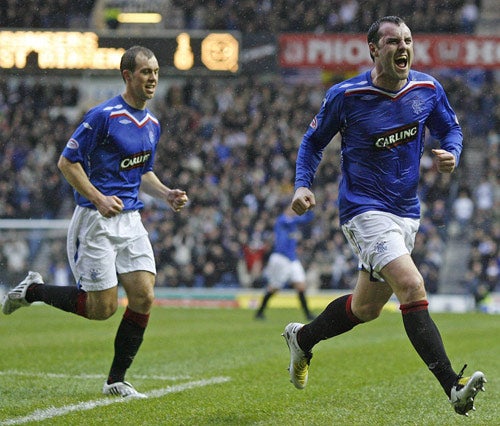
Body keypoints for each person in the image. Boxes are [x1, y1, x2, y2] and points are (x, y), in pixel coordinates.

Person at [282, 16, 487, 416]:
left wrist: (453, 153)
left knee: (365, 309)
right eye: (393, 41)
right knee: (412, 286)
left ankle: (303, 339)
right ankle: (454, 387)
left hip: (407, 213)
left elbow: (452, 130)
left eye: (408, 40)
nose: (403, 47)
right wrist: (302, 185)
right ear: (374, 49)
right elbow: (311, 143)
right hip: (363, 210)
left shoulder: (427, 89)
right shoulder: (347, 95)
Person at [1, 46, 188, 398]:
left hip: (130, 219)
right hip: (95, 220)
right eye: (145, 72)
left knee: (144, 296)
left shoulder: (152, 124)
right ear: (127, 76)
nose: (152, 79)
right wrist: (98, 198)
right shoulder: (103, 116)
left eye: (156, 72)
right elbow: (67, 163)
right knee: (101, 309)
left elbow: (142, 171)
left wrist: (165, 193)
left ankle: (116, 380)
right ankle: (32, 290)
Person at [255, 204, 315, 320]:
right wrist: (304, 214)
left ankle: (307, 314)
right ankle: (260, 311)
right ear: (286, 210)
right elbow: (299, 221)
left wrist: (309, 209)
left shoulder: (292, 221)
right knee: (274, 287)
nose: (294, 211)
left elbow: (308, 219)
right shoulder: (282, 221)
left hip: (292, 259)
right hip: (281, 258)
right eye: (292, 208)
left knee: (301, 285)